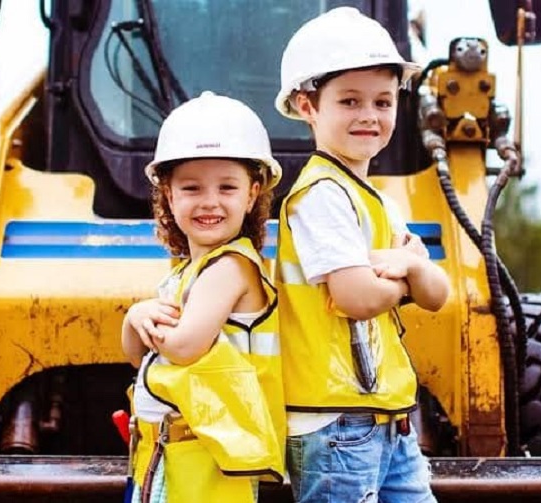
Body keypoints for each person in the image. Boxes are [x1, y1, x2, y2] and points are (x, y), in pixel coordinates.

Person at [274, 7, 450, 503]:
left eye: (383, 101)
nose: (369, 116)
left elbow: (438, 295)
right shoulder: (321, 195)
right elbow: (356, 296)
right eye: (349, 101)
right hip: (336, 425)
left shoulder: (376, 201)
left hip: (387, 420)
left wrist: (413, 266)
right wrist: (404, 278)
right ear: (308, 105)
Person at [120, 91, 285, 503]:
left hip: (210, 459)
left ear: (252, 193)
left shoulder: (229, 267)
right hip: (175, 453)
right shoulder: (185, 273)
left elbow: (184, 347)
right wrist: (134, 318)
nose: (209, 201)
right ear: (169, 195)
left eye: (227, 187)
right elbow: (137, 355)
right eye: (192, 188)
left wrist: (143, 321)